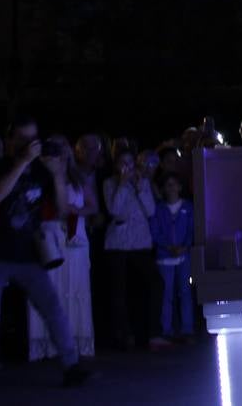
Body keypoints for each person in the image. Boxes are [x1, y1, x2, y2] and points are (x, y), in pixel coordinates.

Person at [0, 118, 90, 394]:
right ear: (10, 140)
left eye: (32, 139)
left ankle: (71, 366)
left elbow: (61, 211)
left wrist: (58, 174)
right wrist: (22, 161)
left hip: (28, 256)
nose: (28, 145)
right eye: (22, 139)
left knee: (53, 309)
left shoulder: (41, 171)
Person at [29, 135, 95, 361]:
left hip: (75, 237)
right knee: (52, 287)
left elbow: (92, 206)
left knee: (74, 287)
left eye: (64, 146)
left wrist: (75, 211)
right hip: (50, 234)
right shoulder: (40, 178)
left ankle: (75, 342)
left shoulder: (78, 178)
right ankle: (46, 344)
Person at [103, 145, 162, 350]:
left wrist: (140, 187)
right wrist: (121, 184)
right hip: (118, 244)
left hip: (141, 243)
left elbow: (150, 211)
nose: (126, 167)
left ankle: (151, 332)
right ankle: (123, 334)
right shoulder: (109, 183)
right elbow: (115, 210)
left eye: (130, 163)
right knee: (119, 290)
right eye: (122, 163)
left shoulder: (143, 182)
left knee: (152, 284)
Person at [149, 173, 195, 343]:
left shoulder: (188, 207)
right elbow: (155, 232)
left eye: (174, 184)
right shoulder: (158, 209)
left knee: (185, 292)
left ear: (179, 187)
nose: (171, 188)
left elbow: (191, 230)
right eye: (168, 185)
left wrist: (185, 246)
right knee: (166, 294)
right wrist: (167, 247)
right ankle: (166, 330)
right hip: (164, 257)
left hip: (184, 256)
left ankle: (187, 329)